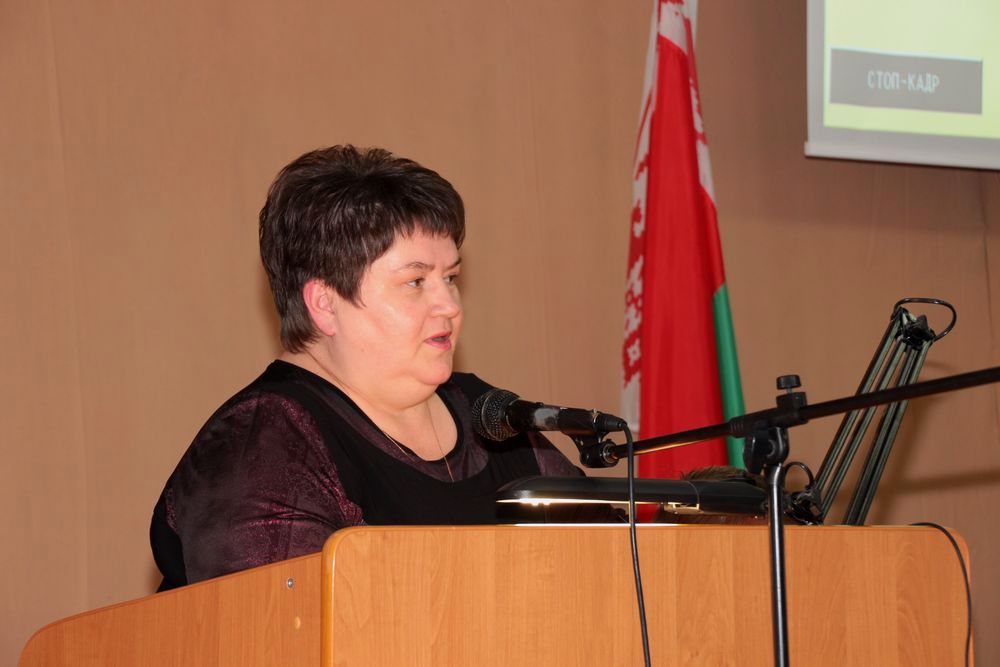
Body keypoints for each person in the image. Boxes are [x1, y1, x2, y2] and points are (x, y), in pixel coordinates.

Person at [150, 145, 611, 591]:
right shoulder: (265, 442)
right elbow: (282, 624)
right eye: (415, 282)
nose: (450, 305)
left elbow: (611, 568)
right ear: (325, 304)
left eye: (450, 278)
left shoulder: (486, 415)